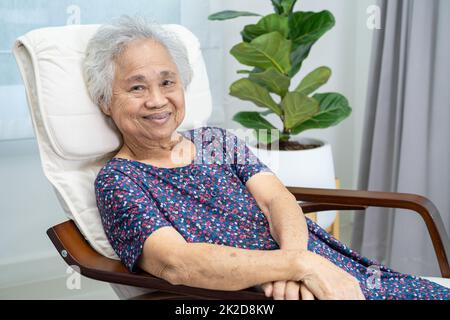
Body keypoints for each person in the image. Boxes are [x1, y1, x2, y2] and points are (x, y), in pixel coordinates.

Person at [85, 16, 450, 300]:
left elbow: (277, 198)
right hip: (255, 293)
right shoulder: (119, 181)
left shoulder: (215, 140)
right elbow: (176, 263)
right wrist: (297, 266)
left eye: (167, 82)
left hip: (316, 268)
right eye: (137, 87)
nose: (157, 99)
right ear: (105, 100)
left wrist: (297, 264)